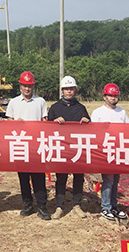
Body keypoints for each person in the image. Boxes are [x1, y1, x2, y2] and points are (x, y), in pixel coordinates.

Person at [6, 71, 50, 221]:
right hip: (20, 145)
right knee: (23, 178)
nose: (27, 88)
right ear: (20, 86)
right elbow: (8, 122)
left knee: (39, 177)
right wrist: (15, 123)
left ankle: (42, 206)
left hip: (36, 146)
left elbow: (45, 121)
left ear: (33, 86)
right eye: (24, 86)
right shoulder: (13, 102)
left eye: (29, 86)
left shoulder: (40, 101)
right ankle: (27, 204)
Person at [48, 76, 90, 220]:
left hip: (78, 149)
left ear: (75, 90)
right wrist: (54, 122)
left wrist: (86, 122)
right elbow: (46, 129)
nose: (69, 91)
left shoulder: (81, 108)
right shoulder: (55, 108)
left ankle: (76, 205)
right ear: (62, 91)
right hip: (61, 149)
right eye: (66, 89)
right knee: (61, 178)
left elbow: (90, 129)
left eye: (71, 88)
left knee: (79, 177)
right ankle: (59, 206)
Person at [91, 83, 129, 222]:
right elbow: (92, 131)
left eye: (115, 96)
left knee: (115, 181)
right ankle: (106, 207)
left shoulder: (122, 112)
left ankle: (114, 206)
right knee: (108, 180)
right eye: (110, 95)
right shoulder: (98, 112)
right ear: (104, 97)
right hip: (105, 150)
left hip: (118, 150)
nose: (113, 98)